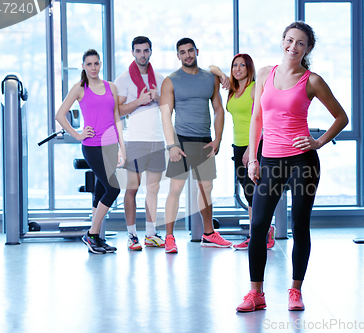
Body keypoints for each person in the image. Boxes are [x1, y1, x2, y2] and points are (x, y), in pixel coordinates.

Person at [236, 22, 349, 312]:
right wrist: (254, 157)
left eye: (300, 43)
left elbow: (341, 117)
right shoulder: (264, 74)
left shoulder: (312, 81)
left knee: (300, 226)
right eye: (290, 40)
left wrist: (318, 142)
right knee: (258, 225)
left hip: (302, 162)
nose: (293, 46)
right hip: (270, 160)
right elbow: (257, 118)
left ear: (308, 48)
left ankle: (295, 290)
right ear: (282, 41)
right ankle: (256, 294)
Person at [160, 37, 233, 253]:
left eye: (190, 51)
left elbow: (218, 109)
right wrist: (171, 145)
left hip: (204, 141)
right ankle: (169, 237)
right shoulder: (170, 81)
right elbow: (166, 115)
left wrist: (218, 139)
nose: (187, 55)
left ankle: (209, 234)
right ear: (178, 56)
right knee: (176, 189)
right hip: (181, 141)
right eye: (182, 52)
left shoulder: (210, 78)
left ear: (196, 51)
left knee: (206, 189)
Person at [55, 49, 126, 254]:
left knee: (101, 190)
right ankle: (92, 234)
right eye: (89, 64)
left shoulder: (110, 87)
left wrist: (122, 148)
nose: (93, 68)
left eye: (96, 64)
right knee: (113, 189)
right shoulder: (80, 88)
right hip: (93, 146)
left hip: (111, 145)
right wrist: (77, 135)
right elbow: (60, 115)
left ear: (100, 64)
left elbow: (116, 119)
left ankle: (97, 239)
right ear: (83, 66)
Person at [209, 55, 275, 250]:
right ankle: (263, 232)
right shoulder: (233, 89)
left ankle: (257, 235)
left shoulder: (255, 88)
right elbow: (211, 66)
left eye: (242, 65)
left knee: (254, 191)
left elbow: (264, 121)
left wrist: (251, 149)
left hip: (255, 146)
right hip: (237, 147)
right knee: (248, 193)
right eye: (234, 65)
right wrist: (222, 75)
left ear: (249, 68)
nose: (238, 68)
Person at [114, 36, 166, 251]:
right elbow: (117, 111)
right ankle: (132, 235)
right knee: (132, 190)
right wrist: (139, 101)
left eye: (146, 50)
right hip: (134, 140)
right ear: (133, 52)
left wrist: (159, 97)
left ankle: (151, 234)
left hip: (156, 140)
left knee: (153, 189)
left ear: (151, 51)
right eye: (138, 51)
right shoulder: (123, 79)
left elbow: (168, 109)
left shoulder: (161, 79)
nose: (142, 54)